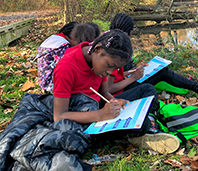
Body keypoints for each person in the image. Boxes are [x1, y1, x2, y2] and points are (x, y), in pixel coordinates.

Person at [52, 29, 180, 154]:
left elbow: (103, 92)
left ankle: (149, 126)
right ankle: (141, 132)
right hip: (82, 119)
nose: (109, 72)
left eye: (115, 68)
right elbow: (59, 116)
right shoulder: (66, 68)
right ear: (98, 49)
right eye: (109, 65)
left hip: (98, 108)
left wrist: (113, 101)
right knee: (142, 124)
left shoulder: (99, 63)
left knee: (147, 89)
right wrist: (101, 114)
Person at [108, 13, 198, 99]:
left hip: (126, 83)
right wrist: (133, 78)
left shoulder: (112, 40)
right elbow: (108, 88)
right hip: (122, 92)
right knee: (163, 73)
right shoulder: (114, 50)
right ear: (128, 32)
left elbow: (117, 74)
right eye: (131, 32)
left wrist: (132, 71)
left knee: (160, 70)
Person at [37, 22, 100, 92]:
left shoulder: (54, 40)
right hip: (52, 86)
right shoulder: (62, 46)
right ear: (72, 35)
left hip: (45, 82)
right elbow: (67, 68)